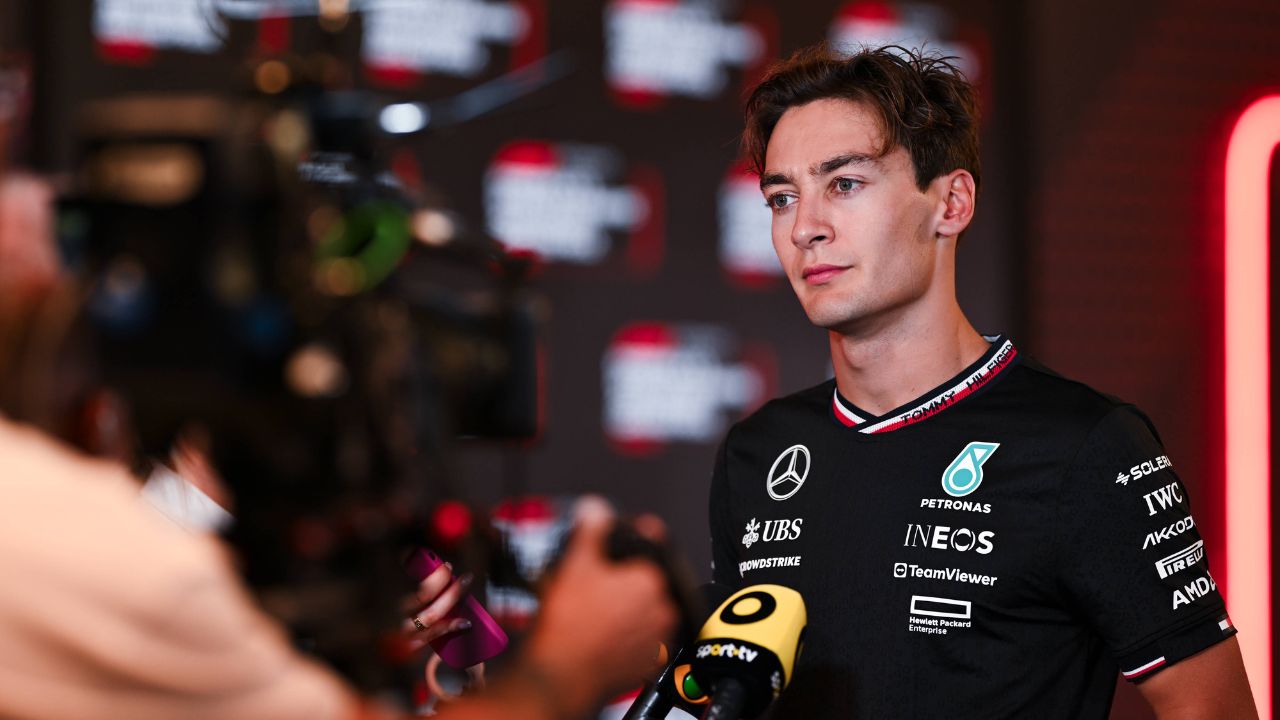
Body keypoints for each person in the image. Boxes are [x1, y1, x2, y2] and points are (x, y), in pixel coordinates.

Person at [707, 44, 1257, 718]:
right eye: (782, 197)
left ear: (952, 203)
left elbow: (1214, 710)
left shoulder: (1087, 445)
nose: (804, 229)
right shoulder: (756, 453)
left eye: (844, 184)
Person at [0, 171, 676, 720]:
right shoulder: (110, 545)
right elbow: (145, 537)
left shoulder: (359, 511)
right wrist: (564, 672)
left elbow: (464, 662)